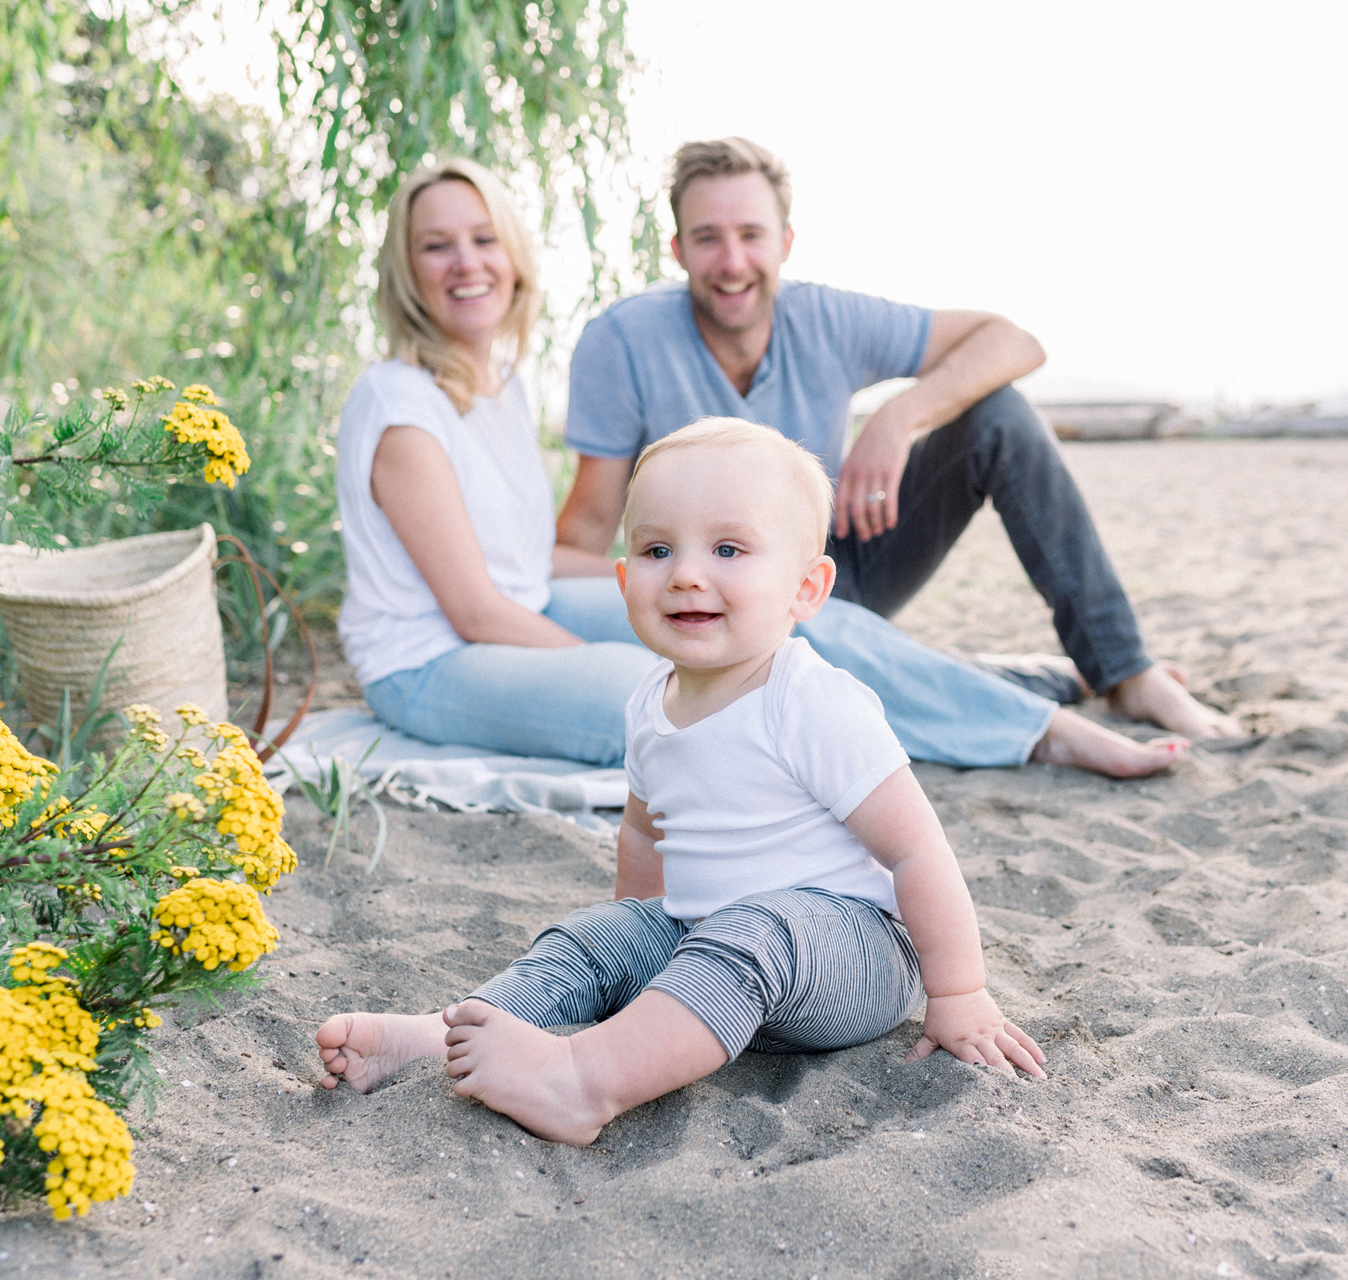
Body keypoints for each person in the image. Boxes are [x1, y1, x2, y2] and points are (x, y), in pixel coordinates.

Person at [317, 420, 1046, 1145]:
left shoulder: (810, 700)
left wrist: (959, 993)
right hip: (706, 941)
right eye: (658, 549)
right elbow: (643, 830)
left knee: (756, 929)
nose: (688, 573)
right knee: (590, 939)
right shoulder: (647, 700)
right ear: (626, 580)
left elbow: (919, 851)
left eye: (728, 549)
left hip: (848, 956)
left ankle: (583, 1081)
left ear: (806, 588)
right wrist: (633, 949)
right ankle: (443, 1033)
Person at [335, 157, 1185, 778]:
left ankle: (1048, 724)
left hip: (577, 597)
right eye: (437, 246)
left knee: (791, 632)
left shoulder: (498, 386)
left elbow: (530, 566)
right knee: (680, 691)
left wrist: (894, 418)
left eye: (483, 239)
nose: (466, 262)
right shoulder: (403, 407)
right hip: (430, 658)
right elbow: (478, 605)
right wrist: (654, 643)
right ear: (406, 270)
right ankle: (1017, 710)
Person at [557, 136, 1239, 742]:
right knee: (839, 675)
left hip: (836, 567)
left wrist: (900, 416)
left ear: (785, 243)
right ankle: (1040, 682)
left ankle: (1125, 670)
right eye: (707, 238)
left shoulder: (826, 317)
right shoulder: (621, 343)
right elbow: (582, 531)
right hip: (721, 594)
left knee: (997, 414)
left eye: (751, 235)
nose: (733, 261)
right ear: (677, 250)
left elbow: (1012, 341)